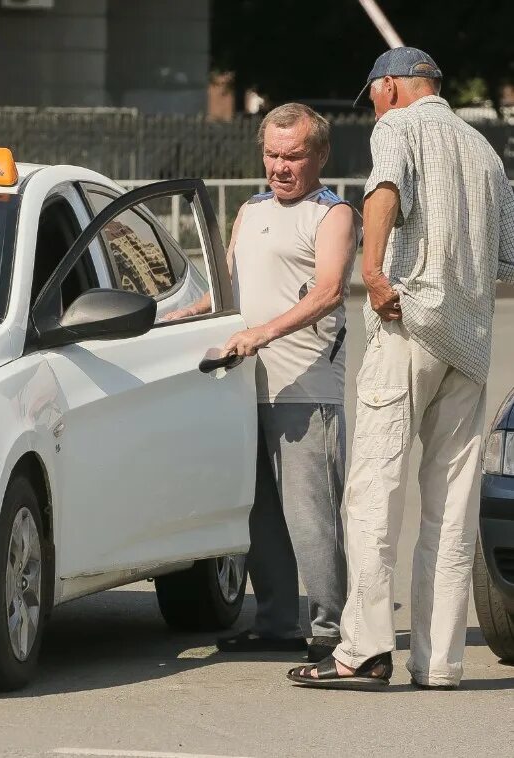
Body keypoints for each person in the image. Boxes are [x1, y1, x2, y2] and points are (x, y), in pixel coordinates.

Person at [288, 46, 514, 691]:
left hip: (407, 321)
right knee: (452, 504)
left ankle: (363, 651)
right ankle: (440, 662)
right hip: (469, 342)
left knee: (375, 490)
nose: (375, 107)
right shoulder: (484, 150)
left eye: (376, 95)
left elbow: (383, 190)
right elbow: (509, 254)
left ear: (391, 88)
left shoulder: (398, 128)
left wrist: (375, 268)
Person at [166, 102, 358, 663]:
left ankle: (331, 628)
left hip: (306, 389)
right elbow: (229, 292)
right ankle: (276, 622)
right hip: (241, 387)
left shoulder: (332, 214)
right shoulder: (250, 211)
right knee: (258, 513)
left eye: (293, 155)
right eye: (272, 154)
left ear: (320, 155)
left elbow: (327, 292)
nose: (280, 166)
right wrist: (180, 318)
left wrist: (261, 334)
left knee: (311, 515)